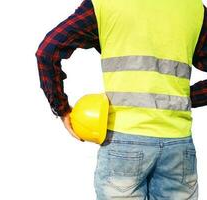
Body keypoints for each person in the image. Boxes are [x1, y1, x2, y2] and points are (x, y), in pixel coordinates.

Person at [35, 0, 207, 199]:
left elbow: (48, 50)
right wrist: (183, 98)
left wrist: (62, 109)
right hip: (178, 146)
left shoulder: (104, 4)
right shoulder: (193, 7)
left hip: (124, 141)